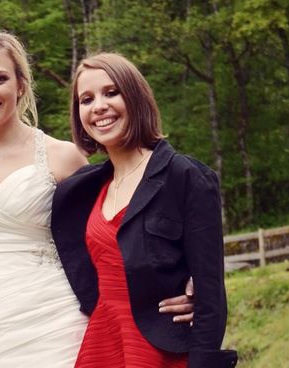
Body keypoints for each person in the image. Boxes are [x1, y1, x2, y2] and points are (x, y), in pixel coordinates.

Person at [0, 29, 194, 367]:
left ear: (20, 84)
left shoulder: (62, 157)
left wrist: (188, 280)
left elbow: (122, 230)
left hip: (57, 324)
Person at [51, 53, 238, 367]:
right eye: (86, 99)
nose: (98, 106)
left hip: (162, 351)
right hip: (103, 343)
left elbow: (212, 299)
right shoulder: (82, 187)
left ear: (135, 97)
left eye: (112, 92)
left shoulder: (186, 177)